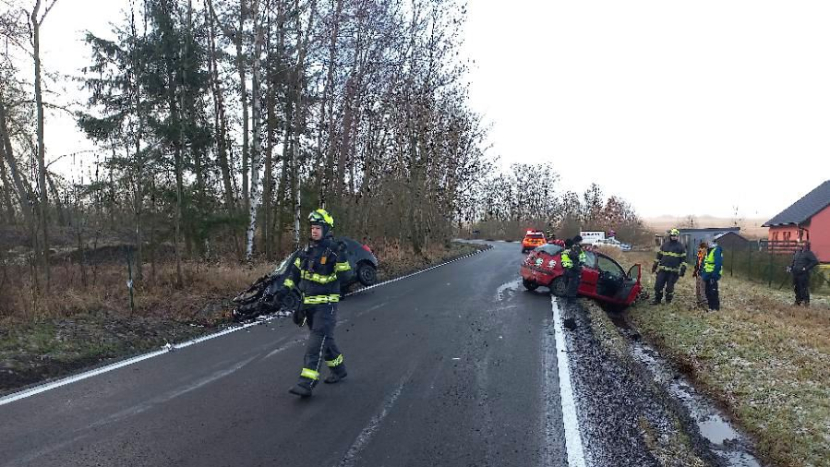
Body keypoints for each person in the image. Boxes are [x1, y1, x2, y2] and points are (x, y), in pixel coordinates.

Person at [281, 209, 352, 398]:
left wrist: (343, 257)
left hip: (327, 306)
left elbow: (346, 277)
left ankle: (306, 383)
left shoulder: (335, 250)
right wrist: (285, 290)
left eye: (317, 227)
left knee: (315, 343)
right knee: (325, 341)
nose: (314, 231)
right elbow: (294, 274)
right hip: (308, 305)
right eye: (312, 227)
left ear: (326, 229)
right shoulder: (306, 251)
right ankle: (339, 370)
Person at [650, 228, 687, 305]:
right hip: (662, 270)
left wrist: (683, 270)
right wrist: (654, 266)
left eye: (675, 236)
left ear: (677, 236)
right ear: (670, 236)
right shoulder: (665, 245)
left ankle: (668, 301)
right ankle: (657, 300)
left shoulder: (681, 247)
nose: (673, 237)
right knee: (658, 286)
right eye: (672, 235)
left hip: (673, 272)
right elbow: (658, 256)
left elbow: (684, 260)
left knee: (669, 288)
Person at [789, 241, 819, 306]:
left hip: (803, 274)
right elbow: (794, 261)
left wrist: (806, 268)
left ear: (807, 246)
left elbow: (815, 261)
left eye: (803, 244)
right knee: (796, 288)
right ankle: (798, 301)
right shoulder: (797, 252)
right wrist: (790, 267)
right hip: (795, 273)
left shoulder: (809, 253)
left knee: (803, 288)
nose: (801, 245)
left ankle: (806, 302)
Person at [561, 236, 587, 305]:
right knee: (573, 285)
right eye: (581, 241)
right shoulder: (575, 249)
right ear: (578, 241)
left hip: (567, 269)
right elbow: (575, 261)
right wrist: (579, 268)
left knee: (568, 284)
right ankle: (570, 301)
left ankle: (566, 297)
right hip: (573, 270)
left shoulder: (566, 250)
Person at [700, 239, 723, 311]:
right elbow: (706, 263)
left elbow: (718, 264)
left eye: (708, 242)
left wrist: (714, 275)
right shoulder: (709, 251)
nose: (706, 244)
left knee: (713, 292)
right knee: (708, 292)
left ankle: (715, 308)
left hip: (712, 275)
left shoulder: (716, 250)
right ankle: (710, 307)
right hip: (707, 275)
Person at [692, 241, 709, 309]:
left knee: (702, 289)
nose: (701, 249)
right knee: (698, 289)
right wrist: (695, 272)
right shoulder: (699, 254)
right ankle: (699, 302)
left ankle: (705, 303)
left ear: (706, 248)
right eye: (701, 247)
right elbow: (697, 264)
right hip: (699, 274)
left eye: (703, 248)